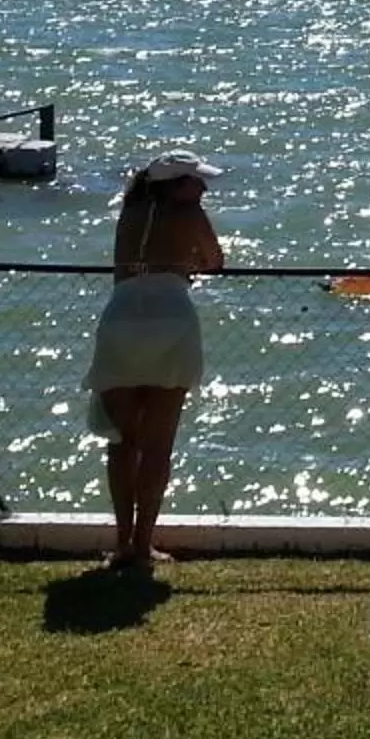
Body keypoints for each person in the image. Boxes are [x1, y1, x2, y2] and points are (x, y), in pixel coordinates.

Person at [84, 151, 222, 572]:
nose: (203, 187)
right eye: (195, 181)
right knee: (158, 445)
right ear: (176, 185)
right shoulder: (190, 214)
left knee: (123, 442)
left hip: (122, 314)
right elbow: (215, 260)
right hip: (171, 318)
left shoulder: (129, 211)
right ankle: (143, 543)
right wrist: (189, 262)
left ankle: (123, 540)